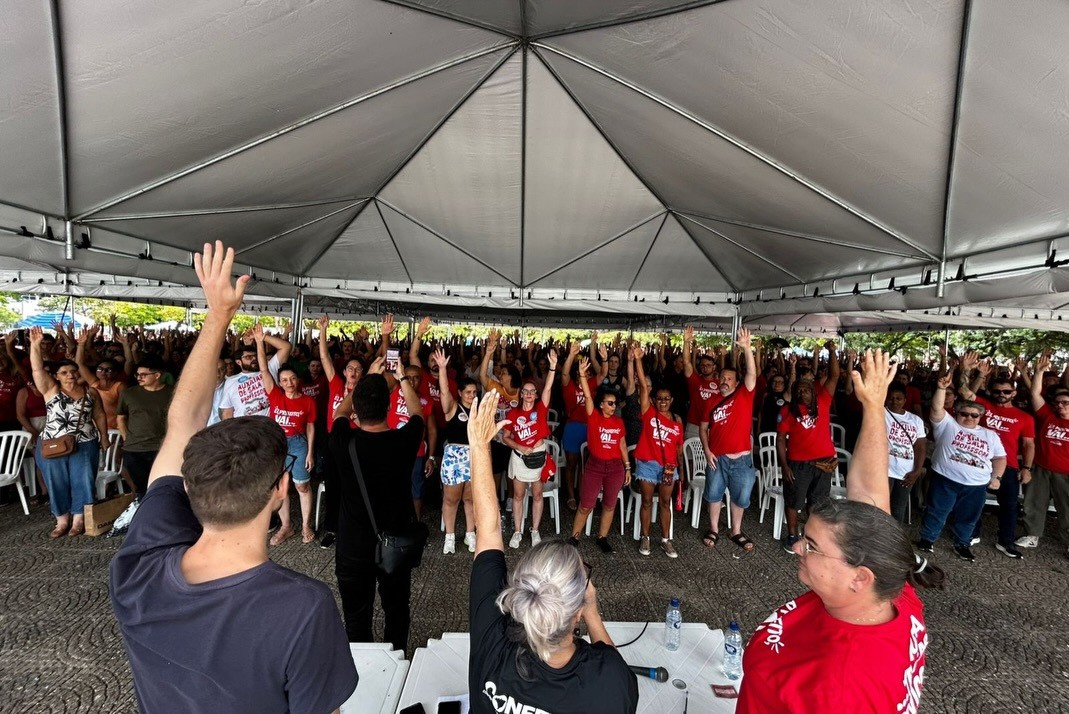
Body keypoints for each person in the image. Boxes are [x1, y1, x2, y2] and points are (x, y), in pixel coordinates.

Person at [109, 241, 357, 713]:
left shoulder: (137, 568)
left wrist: (218, 315)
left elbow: (182, 421)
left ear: (188, 486)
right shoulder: (302, 608)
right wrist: (220, 314)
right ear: (280, 488)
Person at [737, 350, 946, 714]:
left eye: (813, 545)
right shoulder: (892, 589)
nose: (799, 546)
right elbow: (870, 494)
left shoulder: (845, 688)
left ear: (859, 577)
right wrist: (873, 407)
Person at [467, 388, 638, 714]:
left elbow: (488, 531)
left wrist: (478, 444)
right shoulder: (608, 681)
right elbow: (614, 667)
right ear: (574, 612)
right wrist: (591, 612)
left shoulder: (492, 644)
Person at [330, 356, 424, 652]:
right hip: (394, 543)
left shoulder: (343, 440)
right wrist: (404, 379)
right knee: (397, 610)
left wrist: (358, 385)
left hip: (353, 546)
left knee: (356, 617)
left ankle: (366, 670)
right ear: (388, 407)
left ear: (357, 410)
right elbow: (417, 413)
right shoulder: (405, 440)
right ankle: (397, 658)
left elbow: (338, 414)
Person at [29, 331, 110, 538]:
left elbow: (99, 415)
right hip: (52, 444)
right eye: (64, 372)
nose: (70, 375)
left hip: (85, 442)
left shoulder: (90, 393)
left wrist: (104, 437)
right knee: (56, 482)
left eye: (73, 371)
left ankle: (78, 520)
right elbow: (37, 368)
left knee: (83, 480)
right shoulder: (51, 390)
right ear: (56, 376)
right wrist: (36, 345)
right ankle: (61, 520)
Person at [916, 374, 1006, 561]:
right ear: (956, 413)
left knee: (969, 517)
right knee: (937, 510)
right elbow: (936, 408)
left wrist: (997, 477)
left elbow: (1000, 458)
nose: (969, 418)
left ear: (980, 417)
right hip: (946, 479)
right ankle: (927, 539)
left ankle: (962, 544)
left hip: (977, 484)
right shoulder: (947, 425)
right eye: (964, 414)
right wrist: (941, 388)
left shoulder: (991, 435)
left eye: (974, 415)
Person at [958, 353, 1034, 558]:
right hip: (978, 462)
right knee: (974, 501)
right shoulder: (984, 406)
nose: (1001, 394)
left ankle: (1006, 541)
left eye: (1006, 391)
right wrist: (972, 371)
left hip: (1008, 466)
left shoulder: (1024, 417)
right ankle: (971, 533)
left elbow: (1028, 444)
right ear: (992, 391)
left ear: (1014, 393)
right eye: (997, 391)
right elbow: (965, 392)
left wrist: (1027, 468)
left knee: (1009, 505)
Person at [256, 326, 318, 545]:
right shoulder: (275, 394)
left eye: (292, 379)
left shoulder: (308, 401)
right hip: (277, 444)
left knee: (302, 486)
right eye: (284, 380)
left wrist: (311, 452)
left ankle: (305, 525)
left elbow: (311, 426)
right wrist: (260, 341)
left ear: (297, 380)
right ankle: (286, 527)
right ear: (280, 382)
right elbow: (264, 369)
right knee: (281, 488)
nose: (289, 383)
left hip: (299, 443)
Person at [776, 342, 840, 551]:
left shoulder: (823, 401)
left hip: (824, 464)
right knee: (794, 502)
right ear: (794, 394)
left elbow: (834, 377)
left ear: (813, 392)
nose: (803, 393)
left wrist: (831, 352)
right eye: (799, 390)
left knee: (818, 504)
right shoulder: (788, 412)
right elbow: (780, 439)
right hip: (798, 465)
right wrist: (784, 466)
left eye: (806, 390)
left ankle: (812, 537)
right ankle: (793, 536)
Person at [699, 329, 758, 553]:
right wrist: (706, 450)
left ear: (736, 382)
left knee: (740, 497)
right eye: (722, 378)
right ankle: (713, 528)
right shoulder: (711, 402)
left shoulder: (745, 394)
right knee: (713, 495)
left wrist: (746, 348)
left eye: (729, 379)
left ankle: (736, 531)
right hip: (717, 458)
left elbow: (752, 374)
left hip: (742, 459)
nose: (724, 381)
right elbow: (704, 428)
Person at [568, 357, 630, 553]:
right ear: (601, 404)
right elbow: (587, 396)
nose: (613, 406)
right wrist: (582, 374)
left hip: (615, 467)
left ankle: (602, 538)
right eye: (610, 403)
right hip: (595, 465)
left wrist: (627, 467)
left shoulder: (619, 423)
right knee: (586, 505)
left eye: (615, 403)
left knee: (610, 505)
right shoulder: (593, 416)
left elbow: (622, 444)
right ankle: (574, 537)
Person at [631, 345, 685, 558]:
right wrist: (638, 360)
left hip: (669, 467)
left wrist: (681, 472)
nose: (662, 401)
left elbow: (679, 449)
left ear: (671, 401)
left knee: (665, 502)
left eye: (666, 399)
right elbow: (644, 387)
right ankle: (645, 537)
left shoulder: (677, 422)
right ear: (654, 400)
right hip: (647, 463)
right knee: (646, 501)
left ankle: (665, 539)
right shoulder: (648, 412)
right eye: (659, 398)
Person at [502, 350, 557, 549]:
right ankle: (517, 531)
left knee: (538, 495)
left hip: (538, 456)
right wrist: (520, 446)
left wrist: (552, 367)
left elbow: (549, 387)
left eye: (532, 391)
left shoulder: (540, 409)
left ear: (535, 394)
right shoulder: (513, 413)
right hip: (518, 457)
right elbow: (506, 437)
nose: (528, 394)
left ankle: (534, 530)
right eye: (525, 391)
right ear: (521, 394)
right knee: (518, 496)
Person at [1016, 354, 1069, 555]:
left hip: (1066, 473)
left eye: (1065, 402)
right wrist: (1037, 372)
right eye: (1057, 402)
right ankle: (1032, 535)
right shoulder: (1048, 415)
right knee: (1033, 502)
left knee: (1068, 509)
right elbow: (1035, 394)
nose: (1060, 405)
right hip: (1041, 468)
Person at [116, 356, 173, 498]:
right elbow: (121, 417)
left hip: (162, 447)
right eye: (137, 374)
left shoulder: (172, 393)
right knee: (141, 487)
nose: (139, 377)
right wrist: (126, 437)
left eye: (143, 375)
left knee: (163, 485)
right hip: (134, 448)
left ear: (157, 375)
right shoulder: (128, 393)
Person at [218, 328, 292, 419]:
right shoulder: (230, 381)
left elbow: (286, 347)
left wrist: (262, 337)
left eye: (255, 356)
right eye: (248, 357)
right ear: (238, 362)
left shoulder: (270, 367)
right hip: (244, 429)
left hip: (269, 428)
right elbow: (227, 412)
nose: (254, 359)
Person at [884, 382, 927, 525]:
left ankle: (895, 539)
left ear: (905, 400)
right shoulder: (880, 413)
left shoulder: (915, 420)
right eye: (891, 398)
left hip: (906, 471)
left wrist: (917, 470)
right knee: (881, 505)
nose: (894, 401)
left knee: (898, 507)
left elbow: (920, 447)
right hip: (885, 469)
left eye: (898, 398)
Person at [682, 325, 720, 442]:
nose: (705, 368)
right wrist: (686, 342)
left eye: (708, 365)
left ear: (714, 367)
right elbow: (686, 362)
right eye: (703, 365)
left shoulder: (721, 383)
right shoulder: (695, 380)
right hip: (694, 424)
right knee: (691, 458)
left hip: (714, 426)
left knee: (711, 458)